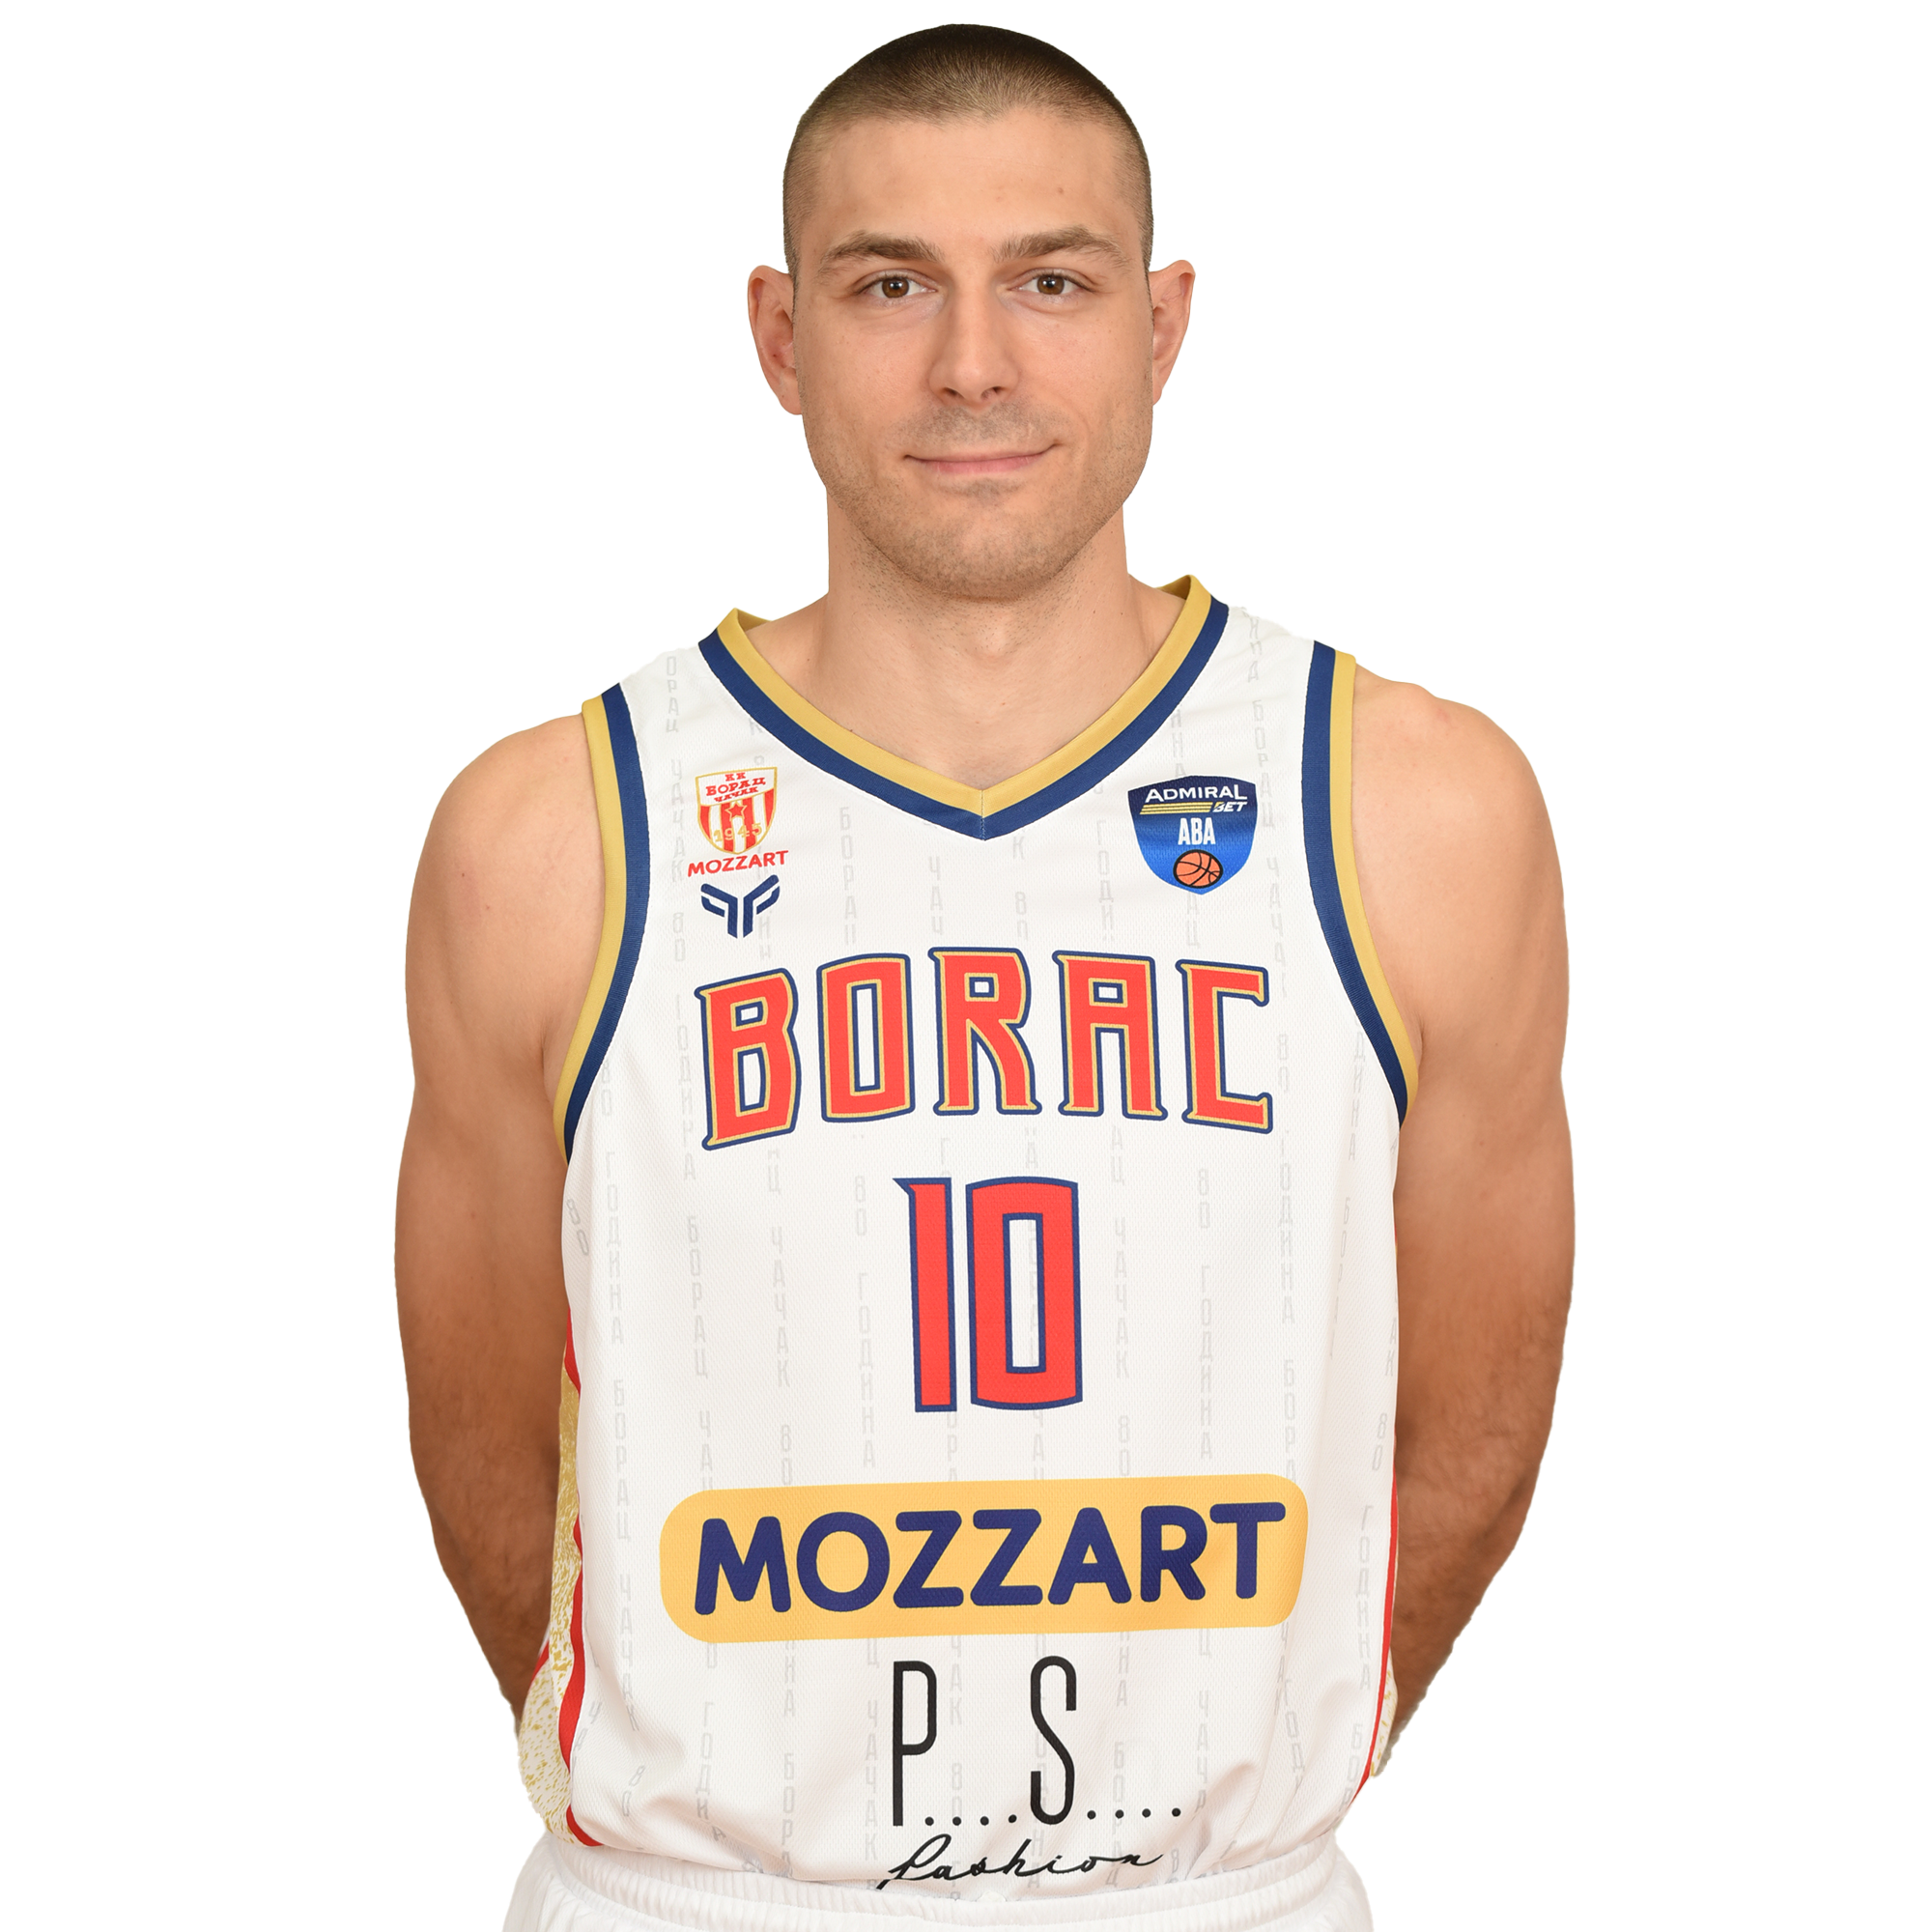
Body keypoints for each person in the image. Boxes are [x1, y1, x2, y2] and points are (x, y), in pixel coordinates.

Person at [396, 23, 1572, 1932]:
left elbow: (1476, 1398)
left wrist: (1215, 1821)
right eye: (889, 286)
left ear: (1160, 327)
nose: (972, 364)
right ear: (780, 335)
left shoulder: (1411, 811)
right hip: (695, 1902)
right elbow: (479, 1422)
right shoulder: (549, 838)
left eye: (1052, 281)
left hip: (1215, 1904)